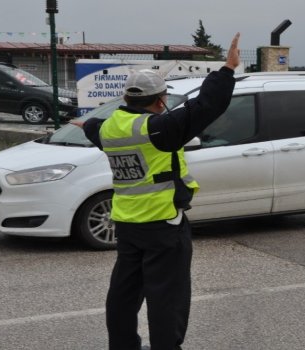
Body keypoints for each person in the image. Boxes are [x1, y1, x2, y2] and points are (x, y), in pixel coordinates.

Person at [72, 33, 241, 350]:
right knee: (167, 297)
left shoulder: (107, 128)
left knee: (123, 293)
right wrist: (227, 69)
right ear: (160, 100)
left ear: (126, 98)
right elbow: (207, 105)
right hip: (163, 224)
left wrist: (87, 123)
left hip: (126, 223)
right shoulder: (160, 129)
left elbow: (93, 127)